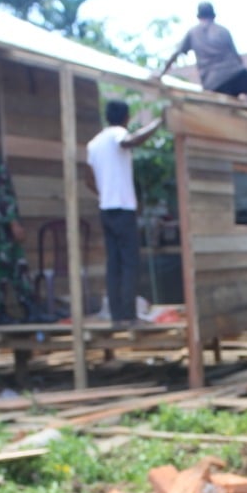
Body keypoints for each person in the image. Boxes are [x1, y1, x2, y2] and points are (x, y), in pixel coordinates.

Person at [85, 100, 162, 327]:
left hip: (106, 208)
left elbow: (87, 179)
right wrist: (157, 123)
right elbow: (129, 141)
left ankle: (117, 316)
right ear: (125, 117)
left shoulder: (94, 143)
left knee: (114, 263)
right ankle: (129, 316)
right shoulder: (118, 134)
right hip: (123, 208)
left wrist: (103, 193)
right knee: (130, 263)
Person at [0, 126, 47, 325]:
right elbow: (0, 197)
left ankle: (30, 308)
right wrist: (13, 223)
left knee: (19, 266)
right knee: (2, 267)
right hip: (0, 224)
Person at [157, 2, 247, 104]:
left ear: (198, 17)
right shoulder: (223, 30)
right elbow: (237, 58)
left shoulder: (193, 32)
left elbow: (176, 54)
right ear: (214, 16)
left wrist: (161, 74)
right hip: (235, 74)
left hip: (214, 84)